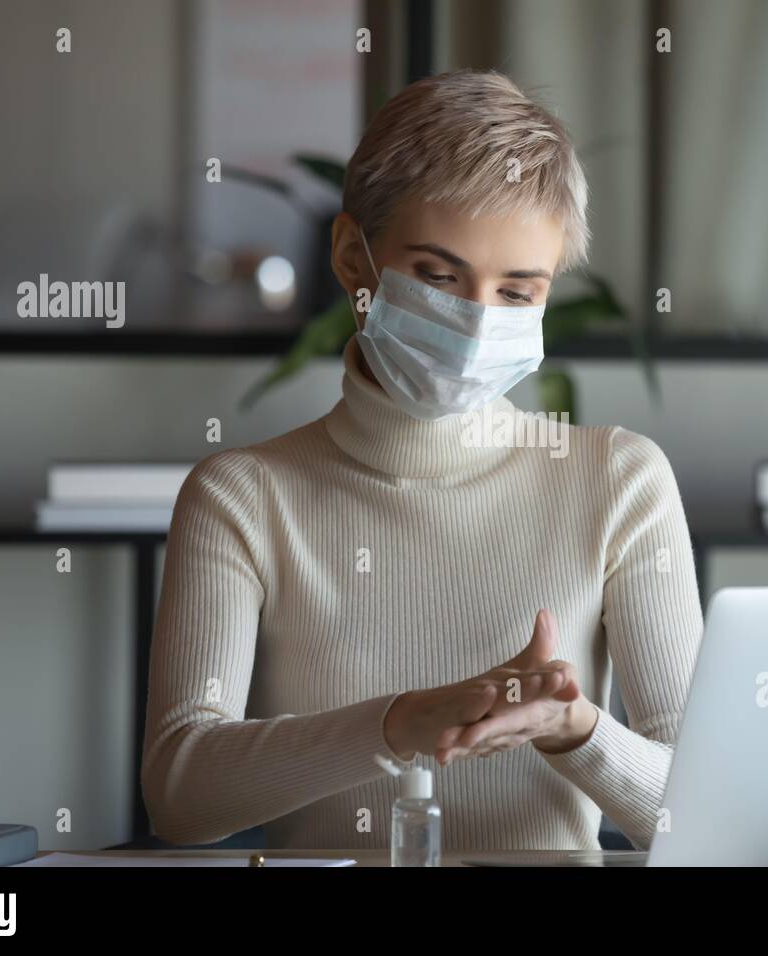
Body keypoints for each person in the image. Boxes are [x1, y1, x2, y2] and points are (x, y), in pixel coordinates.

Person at [141, 69, 703, 851]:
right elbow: (182, 793)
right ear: (351, 260)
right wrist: (402, 724)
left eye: (516, 292)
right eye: (438, 276)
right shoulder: (243, 496)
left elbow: (702, 811)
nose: (475, 324)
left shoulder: (618, 483)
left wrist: (577, 730)